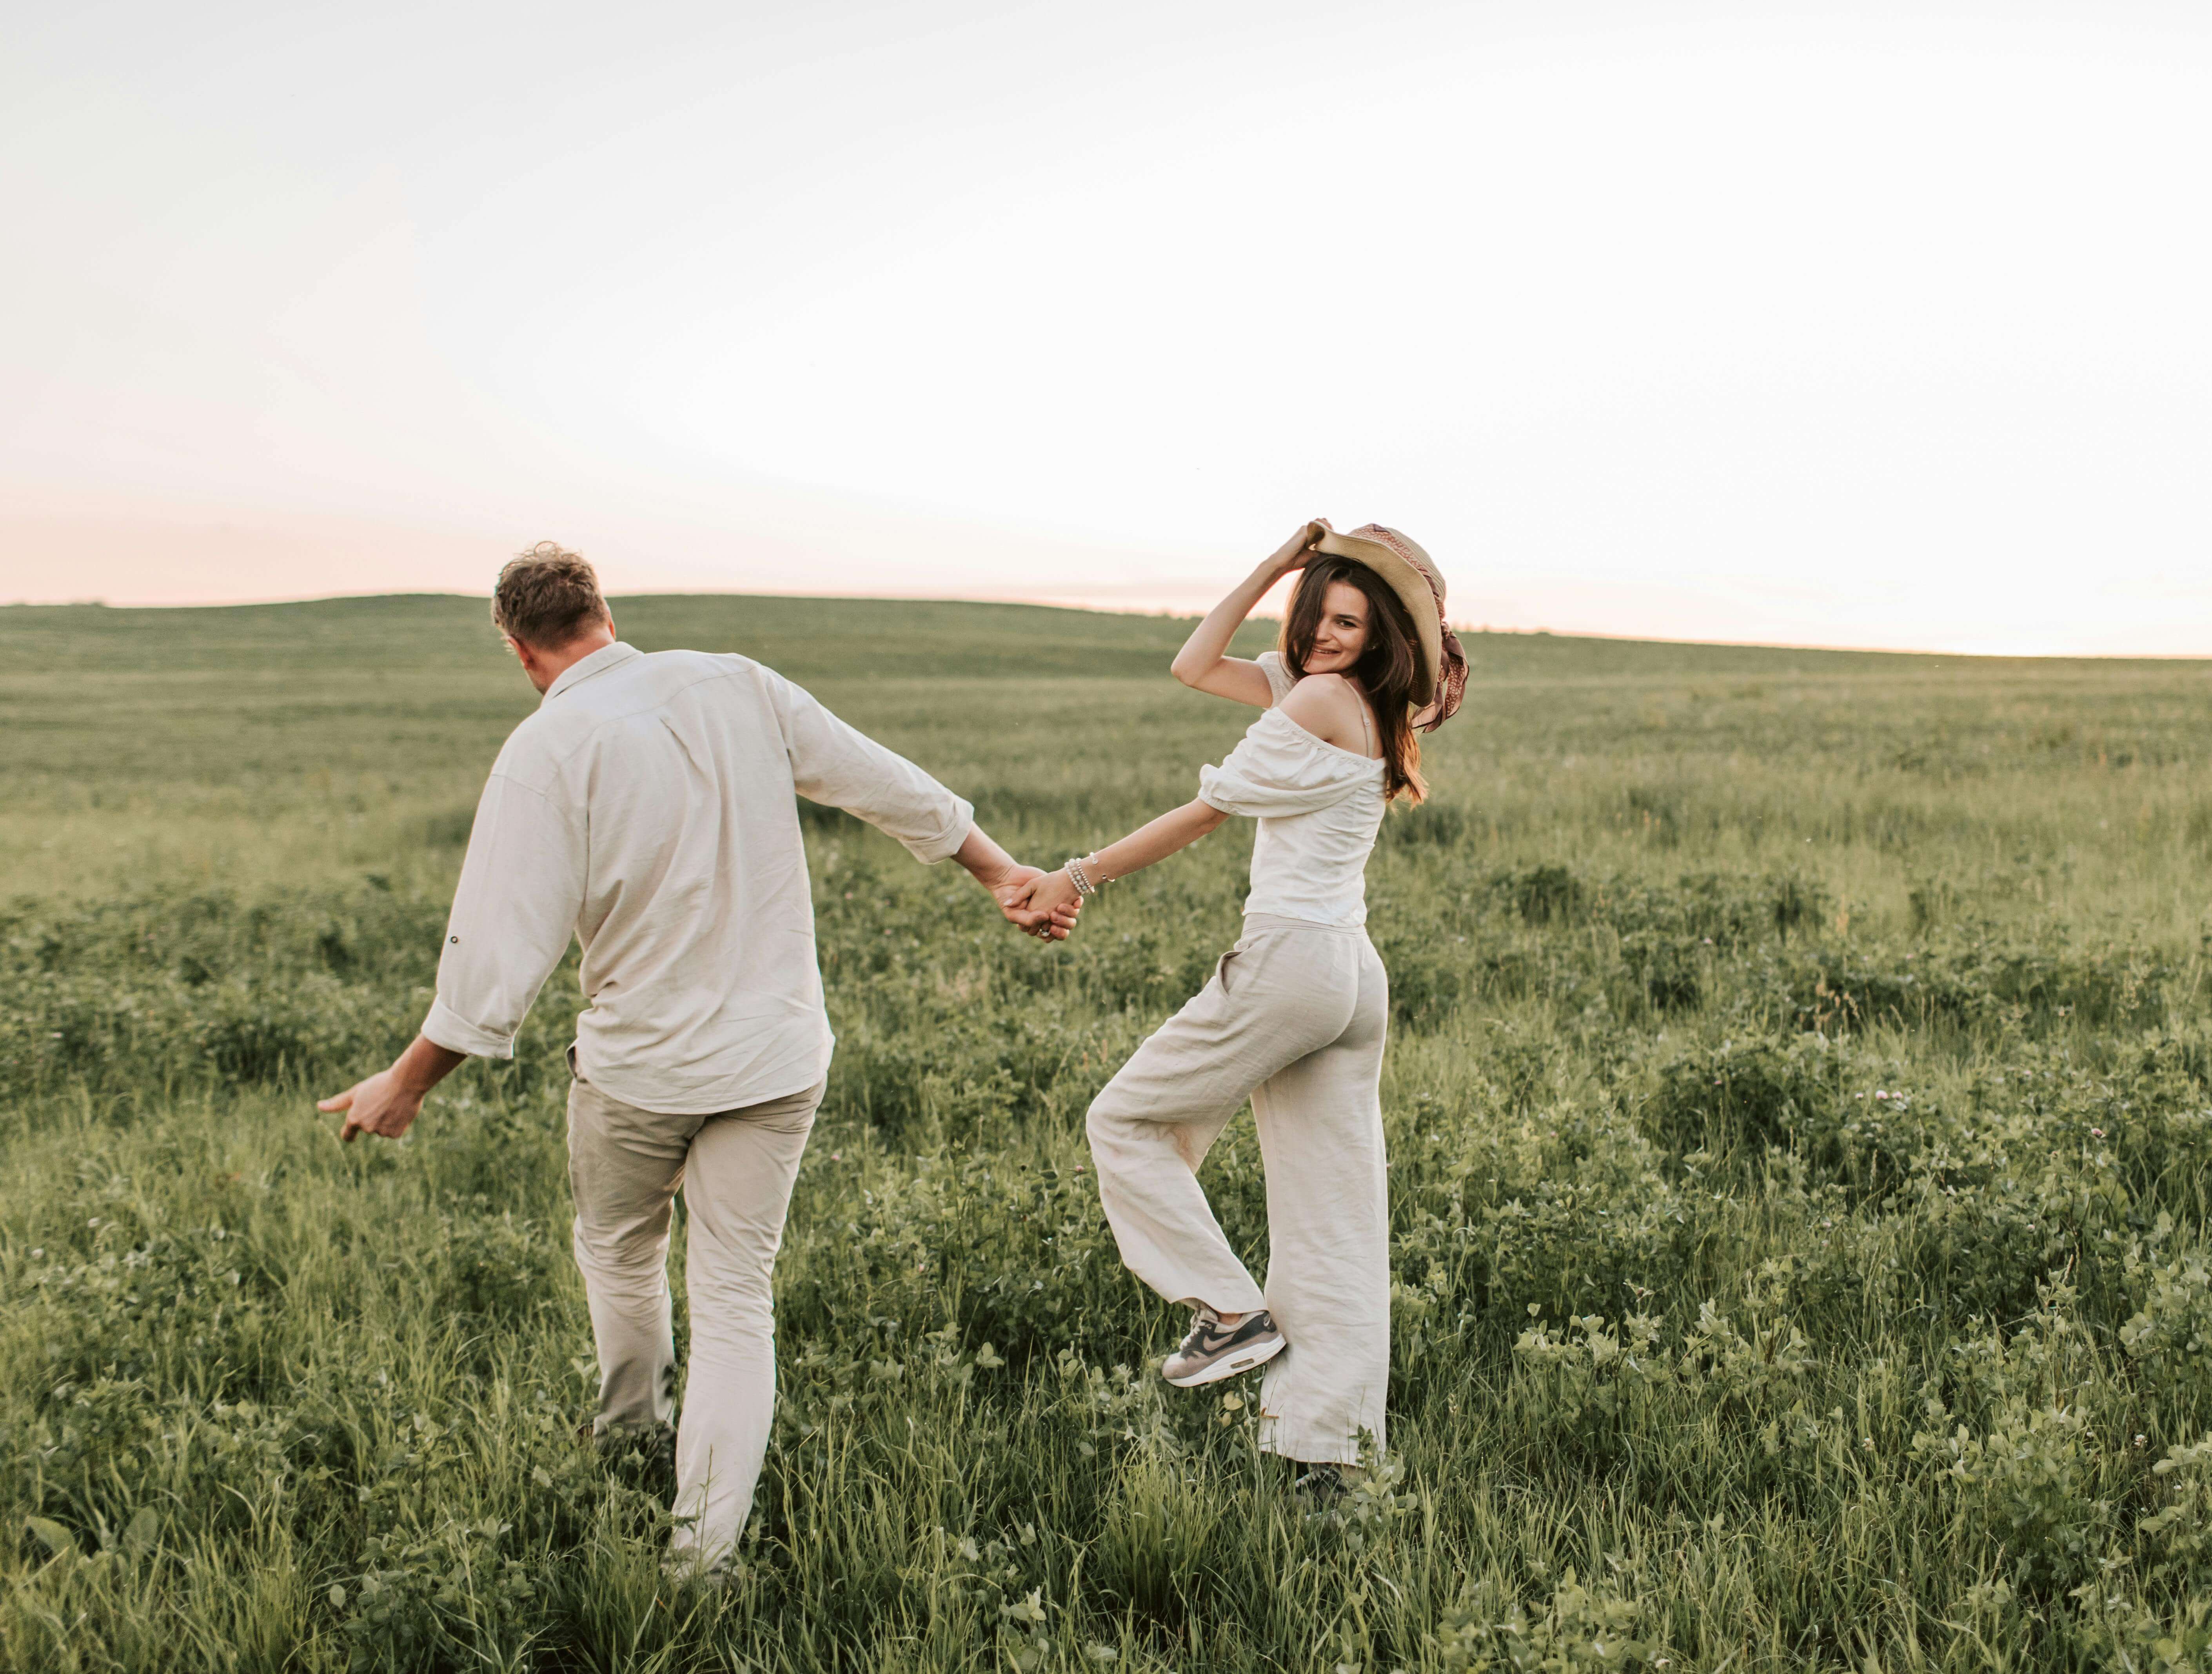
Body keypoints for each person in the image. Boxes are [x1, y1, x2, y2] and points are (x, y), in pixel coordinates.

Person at [318, 542, 1076, 1578]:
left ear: (520, 650)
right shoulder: (737, 682)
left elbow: (497, 954)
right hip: (774, 1060)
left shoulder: (547, 750)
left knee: (621, 1248)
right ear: (604, 613)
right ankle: (702, 1556)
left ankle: (629, 1433)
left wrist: (404, 1082)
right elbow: (879, 779)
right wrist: (996, 870)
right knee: (734, 1297)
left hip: (639, 1073)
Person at [1017, 519, 1468, 1487]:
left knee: (1125, 1121)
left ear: (1382, 632)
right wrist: (1273, 570)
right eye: (1318, 615)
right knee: (1333, 1217)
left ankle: (1228, 1313)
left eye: (1351, 621)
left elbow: (1208, 808)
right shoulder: (1357, 700)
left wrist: (1076, 876)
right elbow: (1194, 663)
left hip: (1291, 961)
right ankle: (1329, 1453)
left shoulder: (1317, 698)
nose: (1326, 635)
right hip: (1349, 972)